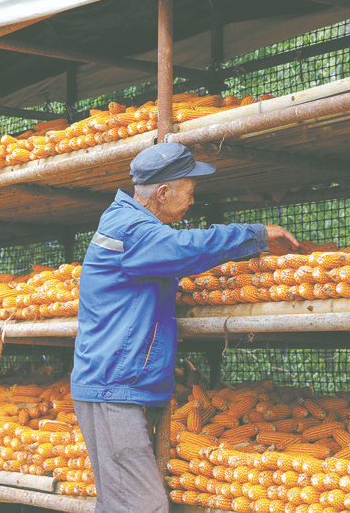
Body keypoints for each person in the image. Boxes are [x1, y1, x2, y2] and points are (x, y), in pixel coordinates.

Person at [71, 142, 302, 513]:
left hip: (118, 385)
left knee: (119, 504)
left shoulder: (130, 224)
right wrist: (254, 234)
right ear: (163, 193)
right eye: (190, 192)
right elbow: (188, 247)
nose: (193, 201)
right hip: (113, 388)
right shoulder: (132, 230)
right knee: (144, 506)